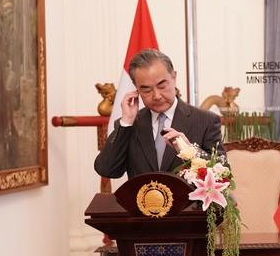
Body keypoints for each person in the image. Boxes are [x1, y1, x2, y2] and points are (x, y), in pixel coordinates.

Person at [94, 49, 224, 179]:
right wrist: (126, 122)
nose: (156, 96)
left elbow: (222, 175)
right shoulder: (131, 124)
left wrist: (191, 152)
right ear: (136, 88)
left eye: (162, 86)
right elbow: (107, 170)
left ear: (174, 78)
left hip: (188, 199)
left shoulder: (206, 120)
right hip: (141, 199)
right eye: (146, 90)